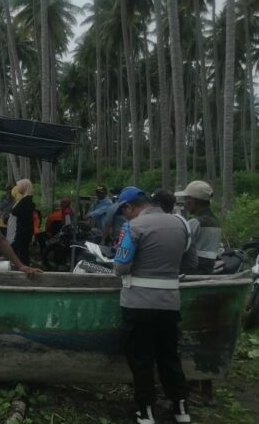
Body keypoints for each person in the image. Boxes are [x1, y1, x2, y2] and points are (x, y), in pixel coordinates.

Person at [113, 186, 197, 424]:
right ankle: (181, 407)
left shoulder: (132, 227)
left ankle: (146, 410)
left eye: (124, 211)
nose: (124, 217)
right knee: (169, 355)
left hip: (138, 303)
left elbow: (120, 267)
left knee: (141, 358)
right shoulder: (182, 225)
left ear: (130, 207)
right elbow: (191, 263)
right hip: (170, 302)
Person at [175, 180, 221, 274]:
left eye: (186, 199)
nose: (185, 203)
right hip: (209, 267)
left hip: (193, 268)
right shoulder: (216, 221)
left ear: (191, 201)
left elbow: (181, 246)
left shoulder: (195, 222)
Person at [9, 179, 35, 265]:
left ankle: (22, 267)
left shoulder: (25, 201)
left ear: (24, 186)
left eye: (19, 185)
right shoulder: (27, 199)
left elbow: (15, 211)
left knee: (20, 250)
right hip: (25, 230)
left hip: (23, 231)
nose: (18, 187)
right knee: (22, 251)